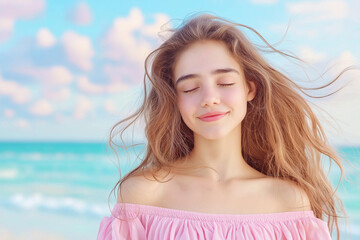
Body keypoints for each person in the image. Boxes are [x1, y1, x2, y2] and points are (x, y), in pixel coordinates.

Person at [97, 14, 346, 239]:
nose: (209, 97)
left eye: (225, 82)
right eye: (190, 88)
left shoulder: (288, 200)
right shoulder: (144, 196)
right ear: (175, 99)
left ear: (250, 88)